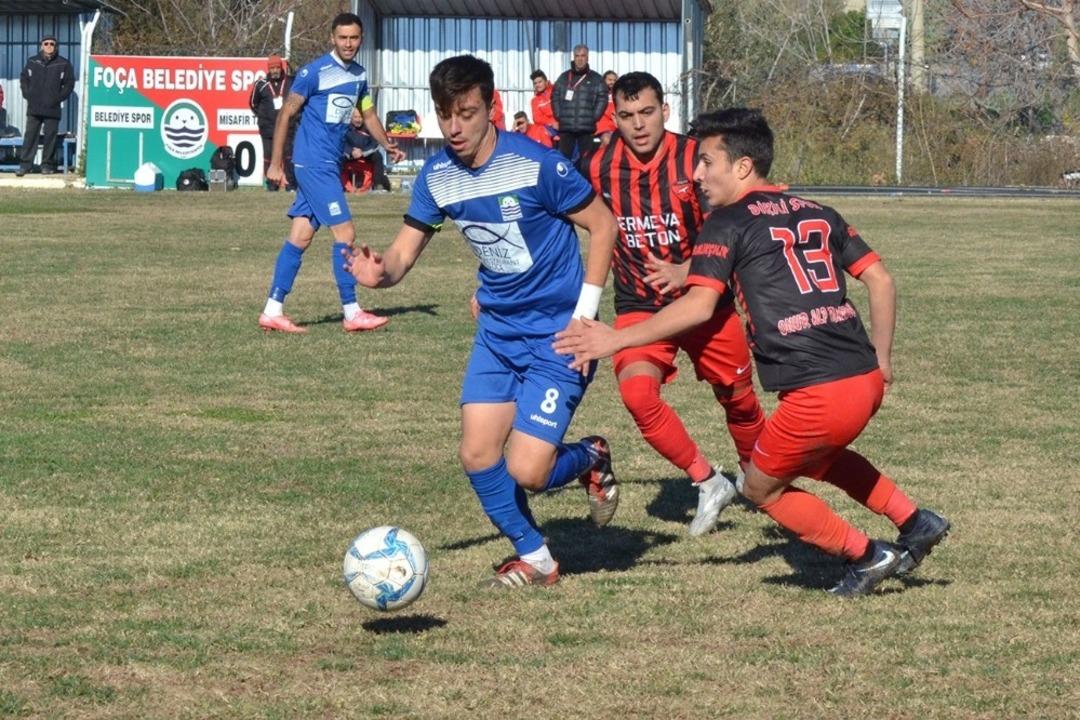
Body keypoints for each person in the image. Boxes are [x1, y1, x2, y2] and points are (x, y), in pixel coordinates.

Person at [556, 108, 950, 597]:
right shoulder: (817, 210)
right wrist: (884, 359)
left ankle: (869, 556)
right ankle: (915, 521)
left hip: (818, 392)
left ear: (742, 167)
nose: (696, 175)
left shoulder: (726, 222)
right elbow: (880, 278)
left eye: (705, 162)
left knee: (759, 488)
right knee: (816, 459)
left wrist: (614, 338)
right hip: (863, 378)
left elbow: (699, 307)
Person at [344, 55, 620, 589]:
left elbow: (602, 226)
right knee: (476, 453)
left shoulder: (537, 164)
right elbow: (401, 256)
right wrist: (377, 275)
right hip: (497, 332)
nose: (454, 128)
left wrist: (586, 316)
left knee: (529, 471)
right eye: (445, 115)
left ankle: (592, 456)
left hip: (559, 333)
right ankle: (537, 557)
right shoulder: (437, 179)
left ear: (490, 107)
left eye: (466, 113)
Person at [579, 72, 765, 536]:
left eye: (647, 112)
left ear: (665, 111)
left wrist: (691, 270)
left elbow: (734, 222)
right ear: (614, 118)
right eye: (626, 116)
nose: (638, 124)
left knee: (739, 402)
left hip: (707, 301)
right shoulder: (597, 167)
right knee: (637, 394)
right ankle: (708, 481)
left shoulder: (695, 159)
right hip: (641, 305)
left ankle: (759, 481)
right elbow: (565, 223)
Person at [257, 12, 404, 334]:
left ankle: (272, 310)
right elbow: (285, 116)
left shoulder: (359, 76)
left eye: (354, 38)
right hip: (313, 164)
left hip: (326, 164)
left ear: (360, 39)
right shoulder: (314, 72)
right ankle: (351, 312)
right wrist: (275, 162)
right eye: (343, 38)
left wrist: (386, 145)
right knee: (345, 233)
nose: (348, 43)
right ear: (332, 39)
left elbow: (369, 115)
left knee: (300, 236)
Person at [17, 35, 74, 177]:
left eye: (52, 44)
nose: (49, 46)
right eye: (46, 43)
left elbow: (69, 84)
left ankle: (47, 165)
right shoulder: (32, 61)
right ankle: (25, 165)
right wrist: (27, 93)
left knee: (50, 137)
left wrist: (58, 98)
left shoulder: (63, 64)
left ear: (56, 46)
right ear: (41, 45)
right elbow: (24, 78)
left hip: (52, 108)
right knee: (30, 136)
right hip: (34, 107)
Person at [249, 54, 297, 191]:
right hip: (268, 127)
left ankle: (290, 184)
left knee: (289, 155)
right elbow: (253, 103)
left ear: (281, 68)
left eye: (277, 67)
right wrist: (264, 116)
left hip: (288, 126)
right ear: (268, 69)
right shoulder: (261, 84)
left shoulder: (291, 81)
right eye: (272, 68)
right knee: (268, 156)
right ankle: (271, 184)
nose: (275, 70)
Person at [551, 44, 607, 161]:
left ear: (587, 57)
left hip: (586, 128)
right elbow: (555, 95)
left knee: (586, 161)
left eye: (583, 56)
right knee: (564, 161)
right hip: (566, 127)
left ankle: (585, 180)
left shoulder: (596, 78)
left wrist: (594, 117)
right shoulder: (564, 77)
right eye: (577, 56)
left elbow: (603, 98)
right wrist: (559, 115)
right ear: (573, 57)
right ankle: (564, 180)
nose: (580, 59)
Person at [342, 107, 392, 193]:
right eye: (356, 117)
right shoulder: (344, 128)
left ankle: (378, 185)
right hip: (349, 155)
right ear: (351, 118)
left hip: (365, 154)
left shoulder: (369, 128)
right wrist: (351, 152)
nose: (358, 120)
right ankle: (340, 185)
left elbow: (375, 143)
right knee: (337, 158)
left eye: (360, 117)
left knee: (378, 156)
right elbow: (341, 143)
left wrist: (363, 152)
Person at [529, 70, 558, 135]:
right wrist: (552, 122)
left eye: (540, 82)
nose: (537, 85)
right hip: (550, 128)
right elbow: (537, 119)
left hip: (565, 122)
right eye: (535, 83)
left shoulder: (556, 90)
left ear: (545, 81)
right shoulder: (534, 101)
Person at [594, 70, 617, 146]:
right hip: (603, 126)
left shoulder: (617, 95)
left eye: (614, 80)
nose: (612, 82)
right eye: (610, 80)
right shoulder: (598, 93)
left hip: (616, 126)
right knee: (607, 140)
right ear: (604, 80)